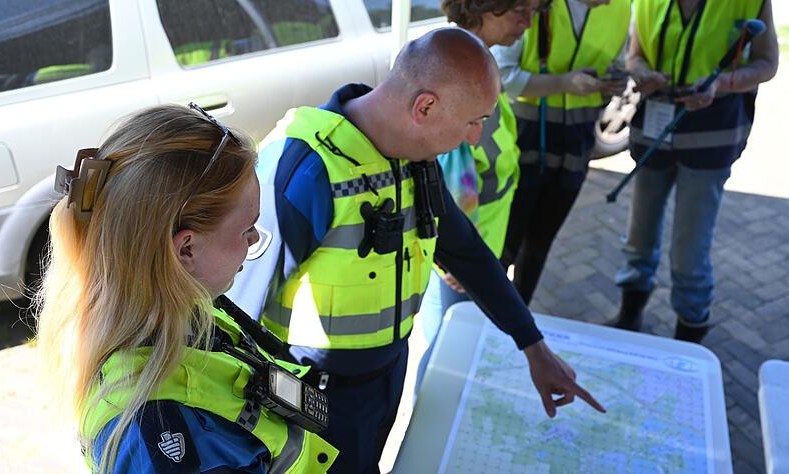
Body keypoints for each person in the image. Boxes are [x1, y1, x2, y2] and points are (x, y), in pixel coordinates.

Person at [228, 28, 605, 474]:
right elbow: (234, 319)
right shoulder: (306, 172)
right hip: (313, 402)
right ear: (425, 107)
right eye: (473, 121)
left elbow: (467, 255)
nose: (473, 137)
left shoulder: (414, 159)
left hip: (385, 381)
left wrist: (533, 347)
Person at [34, 104, 337, 473]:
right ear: (186, 249)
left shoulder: (182, 313)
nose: (254, 238)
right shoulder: (156, 427)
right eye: (246, 229)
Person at [610, 0, 778, 342]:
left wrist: (721, 84)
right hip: (654, 129)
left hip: (712, 134)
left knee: (690, 250)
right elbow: (635, 54)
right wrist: (641, 72)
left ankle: (688, 338)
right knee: (638, 237)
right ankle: (629, 319)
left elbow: (767, 63)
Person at [415, 0, 539, 390]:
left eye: (534, 10)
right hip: (461, 261)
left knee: (453, 345)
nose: (528, 22)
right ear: (484, 7)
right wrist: (455, 262)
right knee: (446, 353)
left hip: (476, 249)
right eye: (519, 9)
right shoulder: (464, 73)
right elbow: (453, 179)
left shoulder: (479, 63)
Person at [493, 0, 632, 304]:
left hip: (576, 146)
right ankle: (487, 321)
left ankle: (519, 319)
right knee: (503, 245)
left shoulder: (622, 8)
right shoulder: (536, 5)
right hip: (523, 144)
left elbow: (619, 61)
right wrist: (565, 84)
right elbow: (502, 76)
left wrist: (615, 81)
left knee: (540, 242)